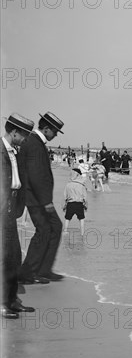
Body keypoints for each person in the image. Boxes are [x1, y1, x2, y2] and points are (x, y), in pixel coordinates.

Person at [18, 112, 65, 284]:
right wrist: (47, 202)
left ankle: (42, 270)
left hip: (37, 197)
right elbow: (36, 175)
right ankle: (30, 272)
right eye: (55, 132)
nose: (55, 135)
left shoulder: (33, 141)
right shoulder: (35, 144)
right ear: (46, 129)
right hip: (37, 199)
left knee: (50, 229)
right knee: (46, 230)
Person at [1, 114, 36, 318]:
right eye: (24, 136)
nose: (25, 140)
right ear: (14, 133)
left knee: (13, 257)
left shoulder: (14, 151)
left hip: (11, 209)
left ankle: (11, 299)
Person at [63, 168, 88, 236]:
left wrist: (64, 206)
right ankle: (82, 233)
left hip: (70, 203)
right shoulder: (82, 185)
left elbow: (65, 196)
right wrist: (86, 206)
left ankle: (65, 231)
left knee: (67, 219)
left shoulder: (68, 184)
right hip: (79, 204)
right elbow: (85, 197)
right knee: (81, 219)